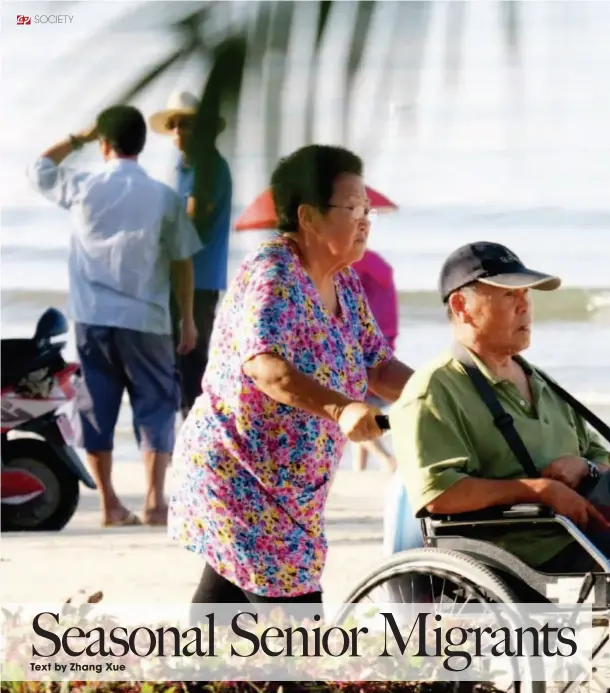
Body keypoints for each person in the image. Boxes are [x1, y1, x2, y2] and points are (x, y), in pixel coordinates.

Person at [168, 144, 415, 604]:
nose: (365, 219)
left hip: (292, 489)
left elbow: (378, 364)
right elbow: (266, 366)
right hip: (237, 471)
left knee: (224, 618)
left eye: (368, 210)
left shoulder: (343, 282)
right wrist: (342, 408)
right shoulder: (274, 272)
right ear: (310, 216)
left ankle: (189, 676)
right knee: (297, 631)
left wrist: (439, 392)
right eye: (353, 208)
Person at [27, 105, 201, 527]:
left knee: (96, 408)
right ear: (142, 145)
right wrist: (189, 319)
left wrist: (79, 137)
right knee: (156, 406)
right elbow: (181, 261)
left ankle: (108, 504)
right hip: (147, 318)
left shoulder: (84, 186)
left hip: (93, 318)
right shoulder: (162, 196)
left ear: (104, 143)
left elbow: (38, 169)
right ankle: (156, 503)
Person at [389, 241, 610, 573]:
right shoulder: (434, 390)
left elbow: (601, 457)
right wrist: (539, 491)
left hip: (583, 532)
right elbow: (438, 493)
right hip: (523, 548)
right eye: (509, 295)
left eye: (527, 295)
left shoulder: (540, 381)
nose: (525, 306)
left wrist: (584, 467)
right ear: (462, 306)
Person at [149, 90, 233, 417]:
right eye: (175, 124)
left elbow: (193, 222)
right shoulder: (184, 165)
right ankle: (183, 437)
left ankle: (198, 437)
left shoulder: (210, 166)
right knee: (174, 361)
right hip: (178, 278)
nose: (179, 132)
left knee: (192, 362)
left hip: (199, 280)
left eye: (186, 125)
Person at [352, 249, 400, 473]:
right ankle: (359, 472)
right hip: (384, 338)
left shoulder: (354, 265)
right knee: (364, 408)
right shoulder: (379, 263)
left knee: (354, 409)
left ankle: (386, 458)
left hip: (364, 344)